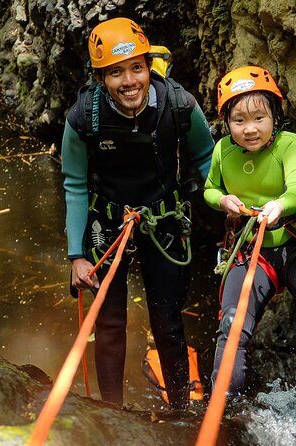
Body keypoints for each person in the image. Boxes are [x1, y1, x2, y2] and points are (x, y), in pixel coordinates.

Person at [61, 17, 214, 409]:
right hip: (106, 225)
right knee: (109, 326)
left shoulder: (179, 105)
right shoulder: (83, 119)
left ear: (148, 67)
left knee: (168, 323)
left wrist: (227, 207)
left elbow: (207, 158)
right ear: (100, 78)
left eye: (137, 68)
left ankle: (179, 412)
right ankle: (112, 416)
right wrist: (77, 256)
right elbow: (75, 185)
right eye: (115, 73)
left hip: (163, 221)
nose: (129, 81)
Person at [203, 66, 296, 398]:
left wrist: (280, 206)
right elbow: (209, 189)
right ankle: (226, 407)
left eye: (259, 117)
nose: (249, 129)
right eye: (239, 121)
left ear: (275, 115)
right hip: (252, 248)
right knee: (231, 324)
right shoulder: (222, 151)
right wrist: (223, 199)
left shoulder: (290, 144)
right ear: (227, 122)